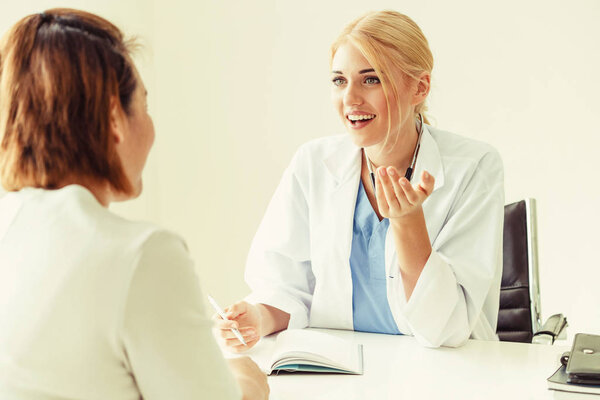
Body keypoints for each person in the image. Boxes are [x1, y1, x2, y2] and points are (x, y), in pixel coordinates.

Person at [0, 9, 268, 400]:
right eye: (144, 104)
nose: (151, 124)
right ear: (114, 118)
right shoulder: (143, 255)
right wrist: (246, 377)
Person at [215, 10, 504, 350]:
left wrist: (408, 222)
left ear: (420, 87)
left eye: (371, 79)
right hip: (342, 371)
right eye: (339, 81)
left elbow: (447, 329)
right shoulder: (313, 163)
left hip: (445, 372)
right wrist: (257, 317)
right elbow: (288, 286)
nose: (350, 99)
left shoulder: (474, 167)